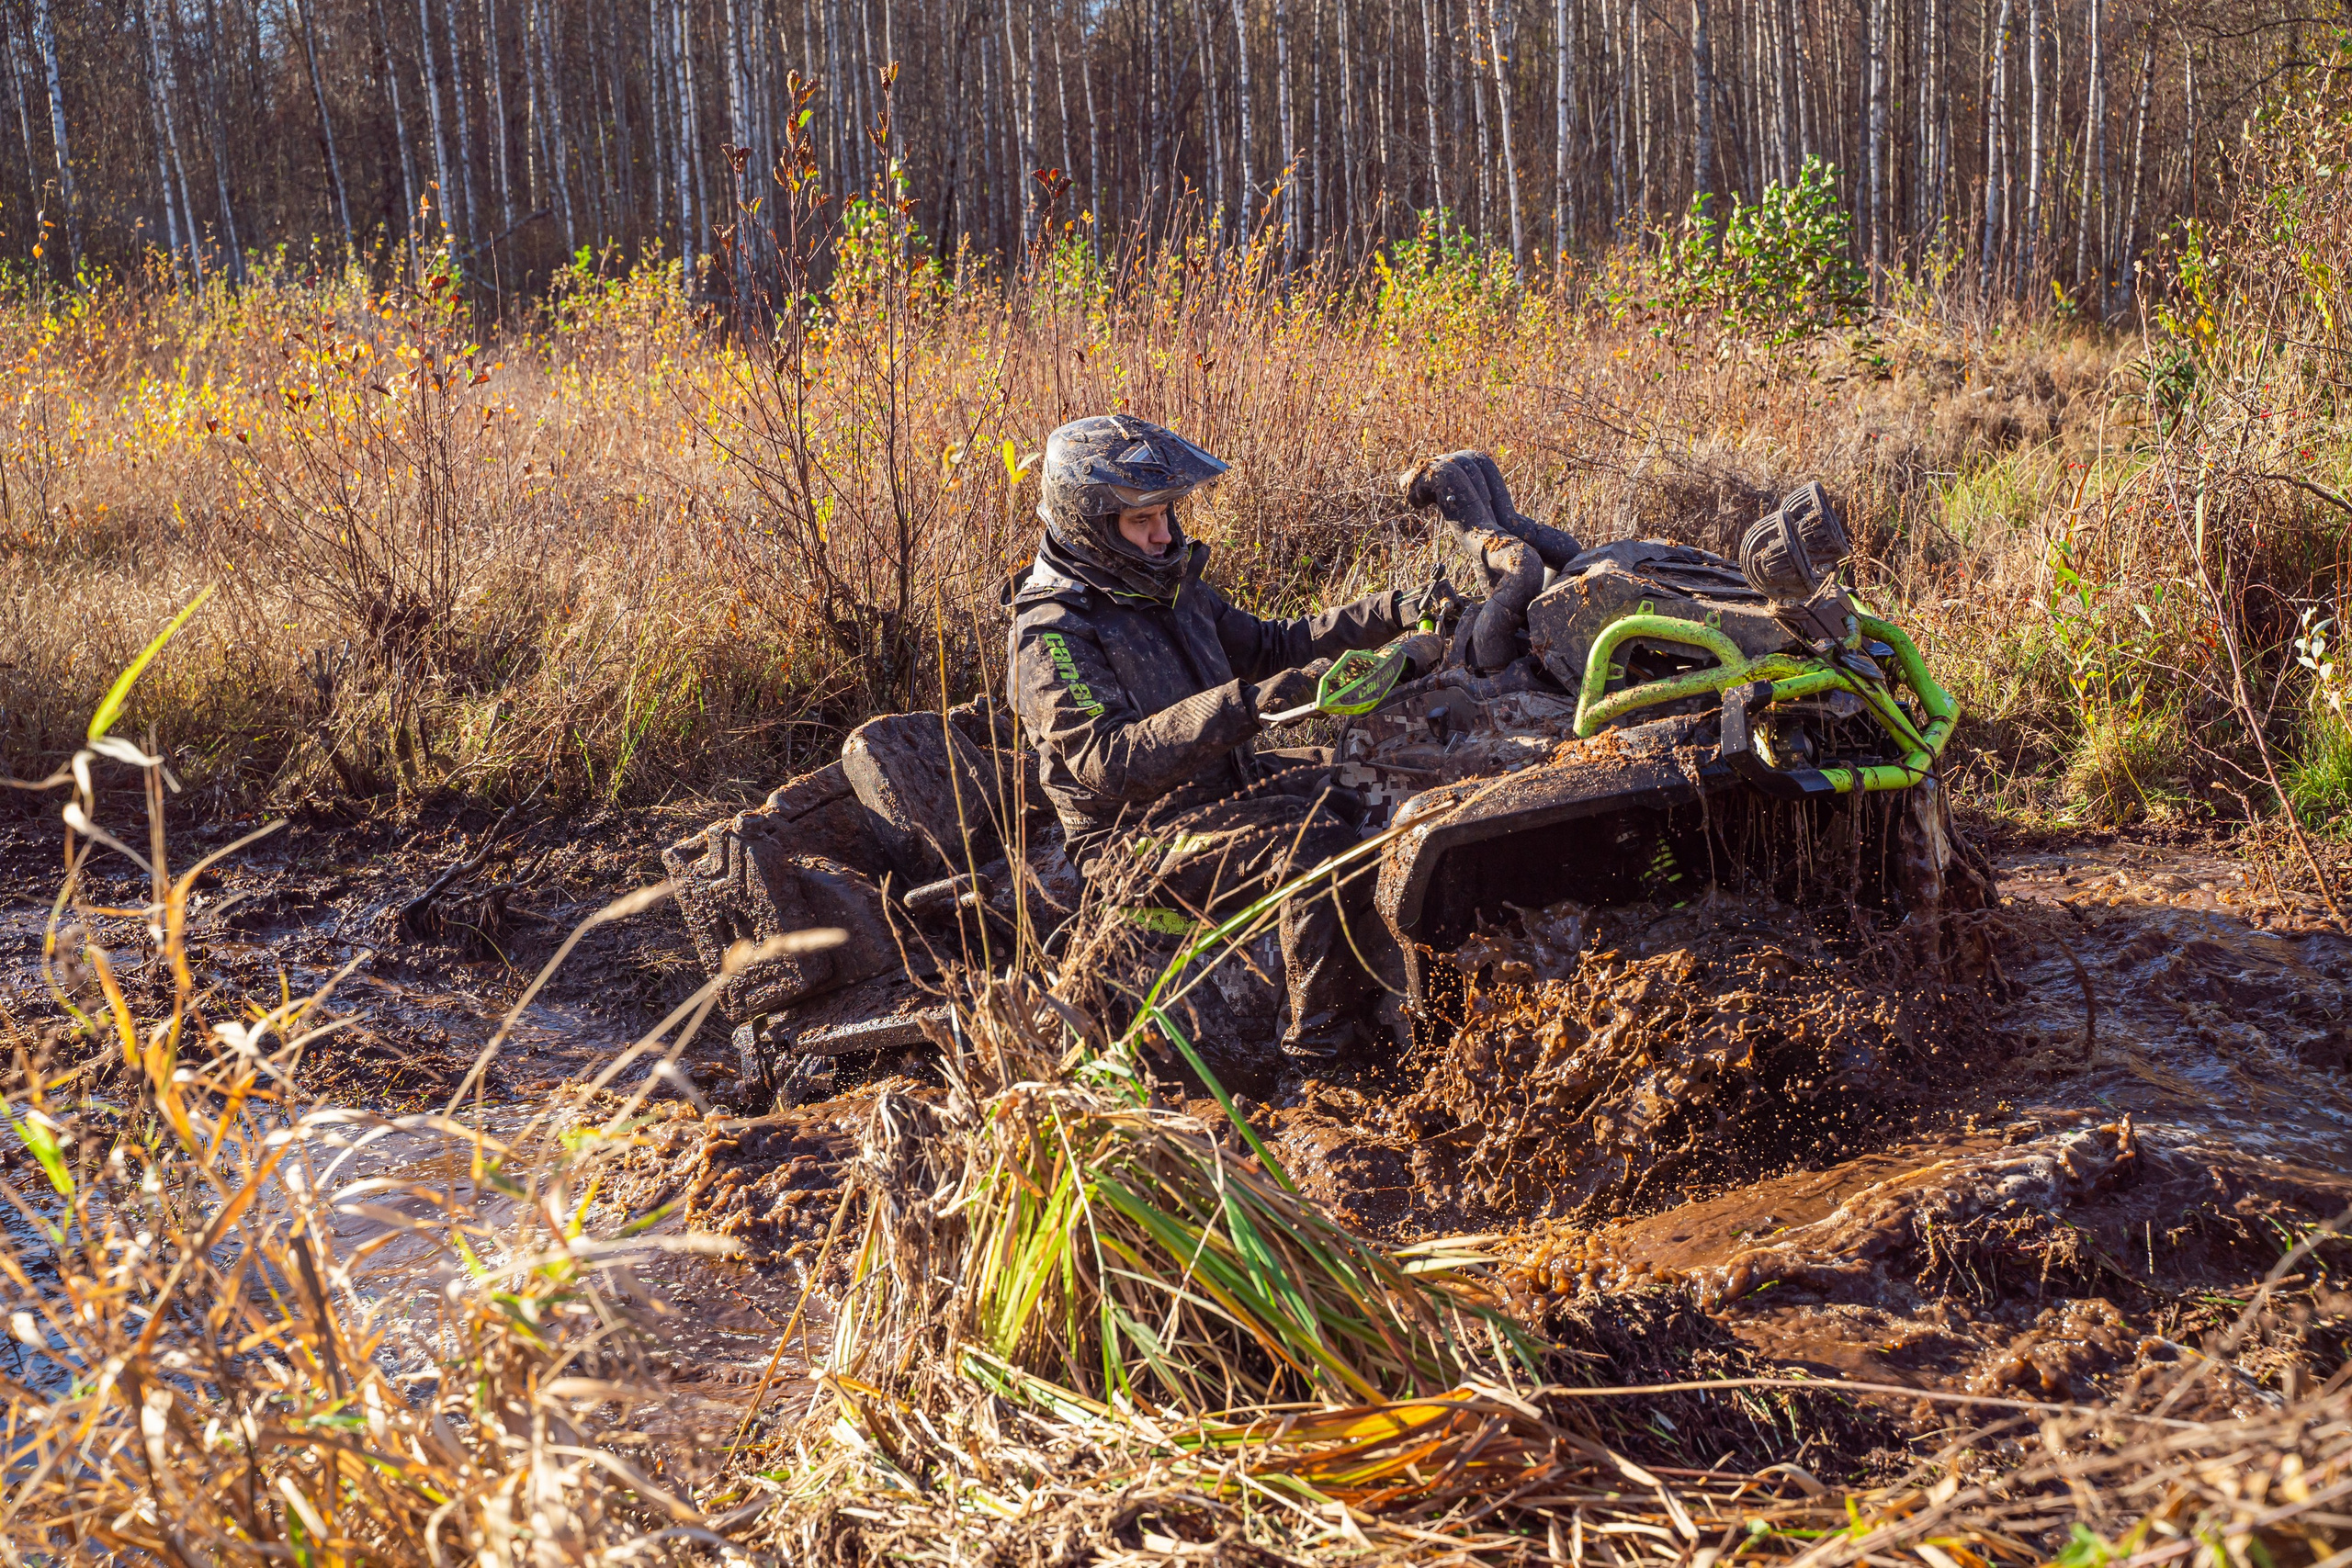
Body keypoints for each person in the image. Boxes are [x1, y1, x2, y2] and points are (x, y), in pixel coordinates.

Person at [1007, 414, 1456, 1058]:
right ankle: (1318, 1056)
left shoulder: (1165, 581)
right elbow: (1109, 759)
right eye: (1142, 520)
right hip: (1133, 840)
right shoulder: (1051, 631)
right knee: (1315, 848)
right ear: (1091, 525)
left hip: (1227, 785)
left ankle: (1419, 986)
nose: (1164, 533)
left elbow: (1272, 644)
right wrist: (1247, 705)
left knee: (1377, 785)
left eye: (1166, 513)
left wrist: (1392, 610)